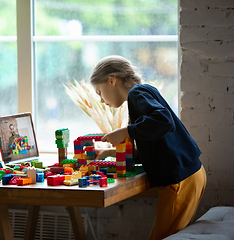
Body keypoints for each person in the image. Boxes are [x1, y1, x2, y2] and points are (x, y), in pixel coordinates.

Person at [89, 55, 207, 240]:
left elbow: (164, 121)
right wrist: (110, 152)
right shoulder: (142, 94)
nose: (101, 101)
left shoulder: (137, 93)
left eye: (99, 92)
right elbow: (154, 147)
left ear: (111, 80)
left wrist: (126, 131)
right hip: (190, 175)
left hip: (180, 180)